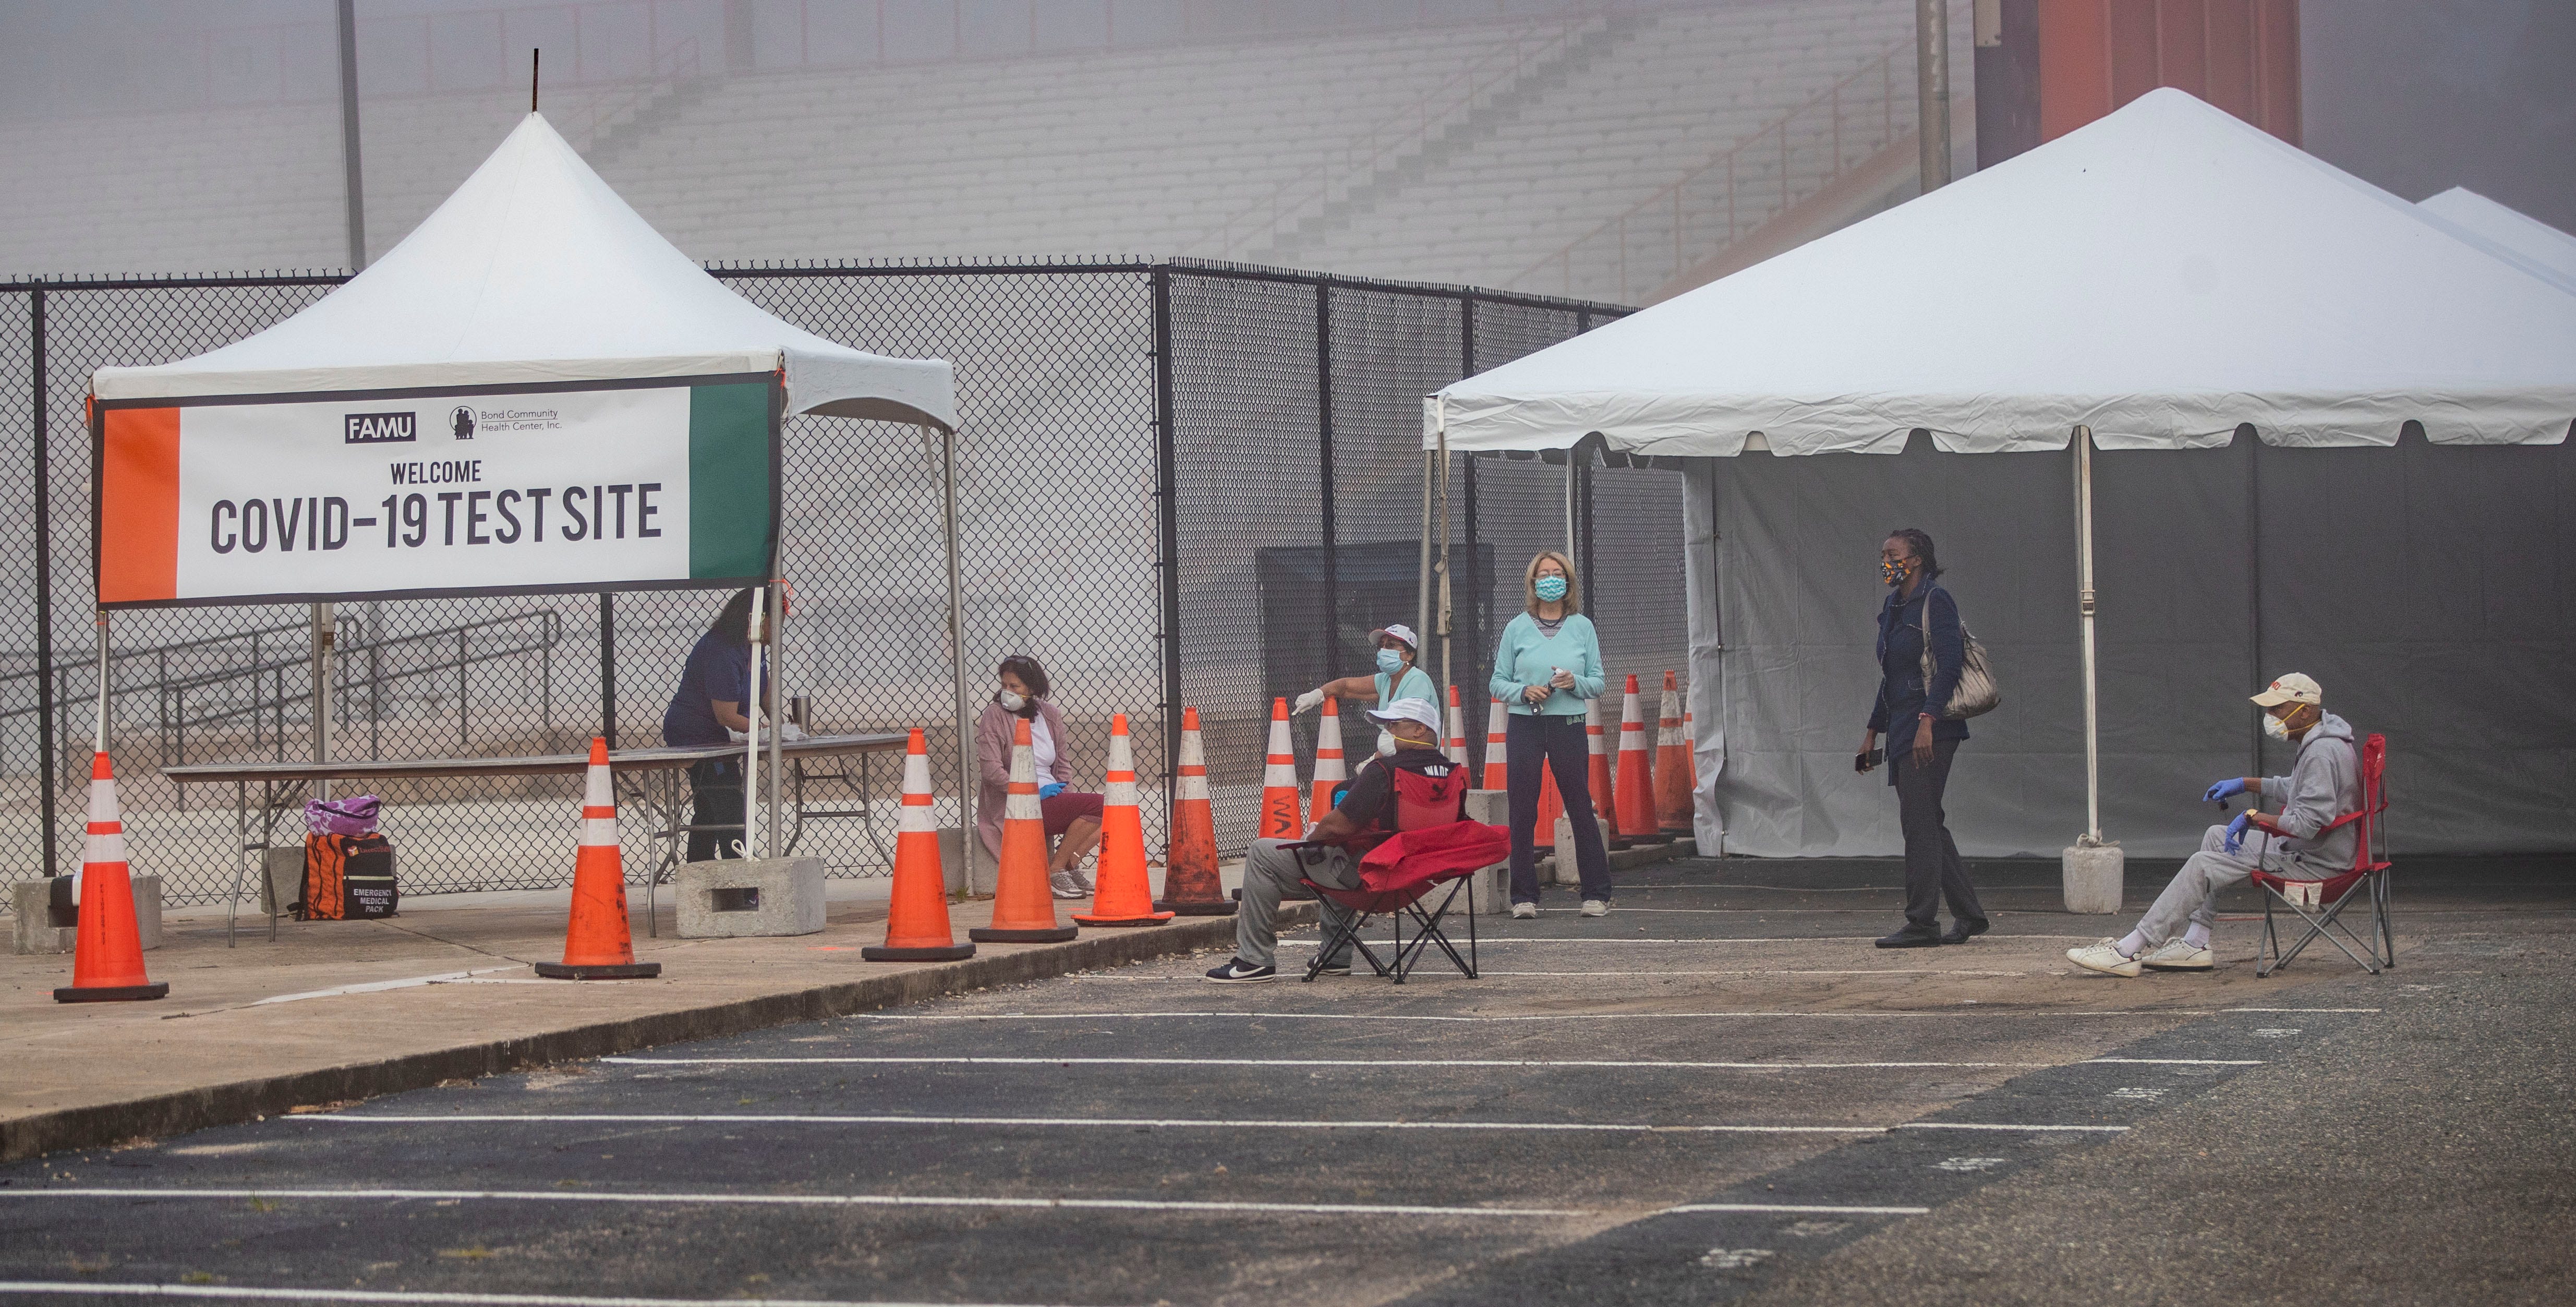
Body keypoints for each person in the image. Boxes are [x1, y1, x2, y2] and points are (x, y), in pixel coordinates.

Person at [2069, 674, 2361, 977]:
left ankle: (2127, 950)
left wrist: (2253, 817)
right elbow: (2299, 790)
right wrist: (2244, 784)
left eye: (2277, 709)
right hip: (2315, 852)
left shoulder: (2320, 752)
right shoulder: (2325, 741)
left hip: (2316, 864)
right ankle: (2195, 943)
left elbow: (2308, 823)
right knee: (2216, 837)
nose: (2270, 717)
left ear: (2304, 710)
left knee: (2203, 864)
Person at [1207, 698, 1466, 983]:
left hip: (1370, 877)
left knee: (1265, 852)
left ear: (1420, 730)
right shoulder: (1455, 775)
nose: (1388, 731)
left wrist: (1312, 838)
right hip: (1417, 877)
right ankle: (1334, 957)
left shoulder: (1385, 771)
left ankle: (1254, 961)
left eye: (1394, 724)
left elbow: (1337, 827)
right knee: (1350, 850)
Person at [1861, 528, 1988, 949]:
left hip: (1931, 729)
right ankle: (1969, 915)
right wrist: (1871, 732)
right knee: (1928, 822)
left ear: (1915, 560)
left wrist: (1927, 721)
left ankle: (1922, 922)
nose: (1884, 561)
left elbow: (1949, 666)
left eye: (1891, 554)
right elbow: (1891, 676)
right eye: (1882, 554)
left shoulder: (1936, 601)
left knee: (1918, 825)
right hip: (1901, 726)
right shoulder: (1893, 605)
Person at [1488, 549, 1611, 919]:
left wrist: (1575, 683)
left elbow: (1599, 682)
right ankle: (1523, 896)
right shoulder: (1515, 628)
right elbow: (1497, 681)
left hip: (1568, 723)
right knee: (1522, 809)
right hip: (1526, 723)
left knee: (1578, 805)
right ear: (1532, 583)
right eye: (1543, 574)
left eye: (1557, 573)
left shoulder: (1582, 627)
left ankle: (1596, 893)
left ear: (1568, 582)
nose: (1550, 579)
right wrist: (1523, 692)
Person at [974, 655, 1104, 899]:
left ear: (1032, 688)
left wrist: (1065, 796)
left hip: (1051, 797)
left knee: (1116, 811)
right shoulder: (994, 715)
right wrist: (1030, 791)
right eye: (1004, 685)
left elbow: (1063, 766)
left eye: (1015, 686)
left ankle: (1068, 865)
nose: (1007, 692)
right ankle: (1056, 869)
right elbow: (991, 771)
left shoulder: (1050, 715)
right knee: (1101, 805)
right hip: (1016, 802)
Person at [661, 587, 773, 861]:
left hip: (717, 733)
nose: (781, 629)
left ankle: (698, 872)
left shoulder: (754, 649)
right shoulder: (722, 650)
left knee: (709, 808)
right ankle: (740, 881)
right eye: (776, 621)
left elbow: (765, 693)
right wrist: (762, 731)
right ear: (756, 620)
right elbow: (726, 716)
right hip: (694, 733)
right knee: (728, 804)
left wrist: (783, 726)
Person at [1292, 622, 1437, 755]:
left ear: (1410, 655)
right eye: (1382, 646)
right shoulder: (1386, 679)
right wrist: (1318, 694)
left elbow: (1409, 732)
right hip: (1394, 759)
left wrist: (1375, 760)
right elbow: (1346, 687)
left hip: (1418, 761)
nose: (1384, 650)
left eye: (1391, 646)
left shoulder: (1417, 680)